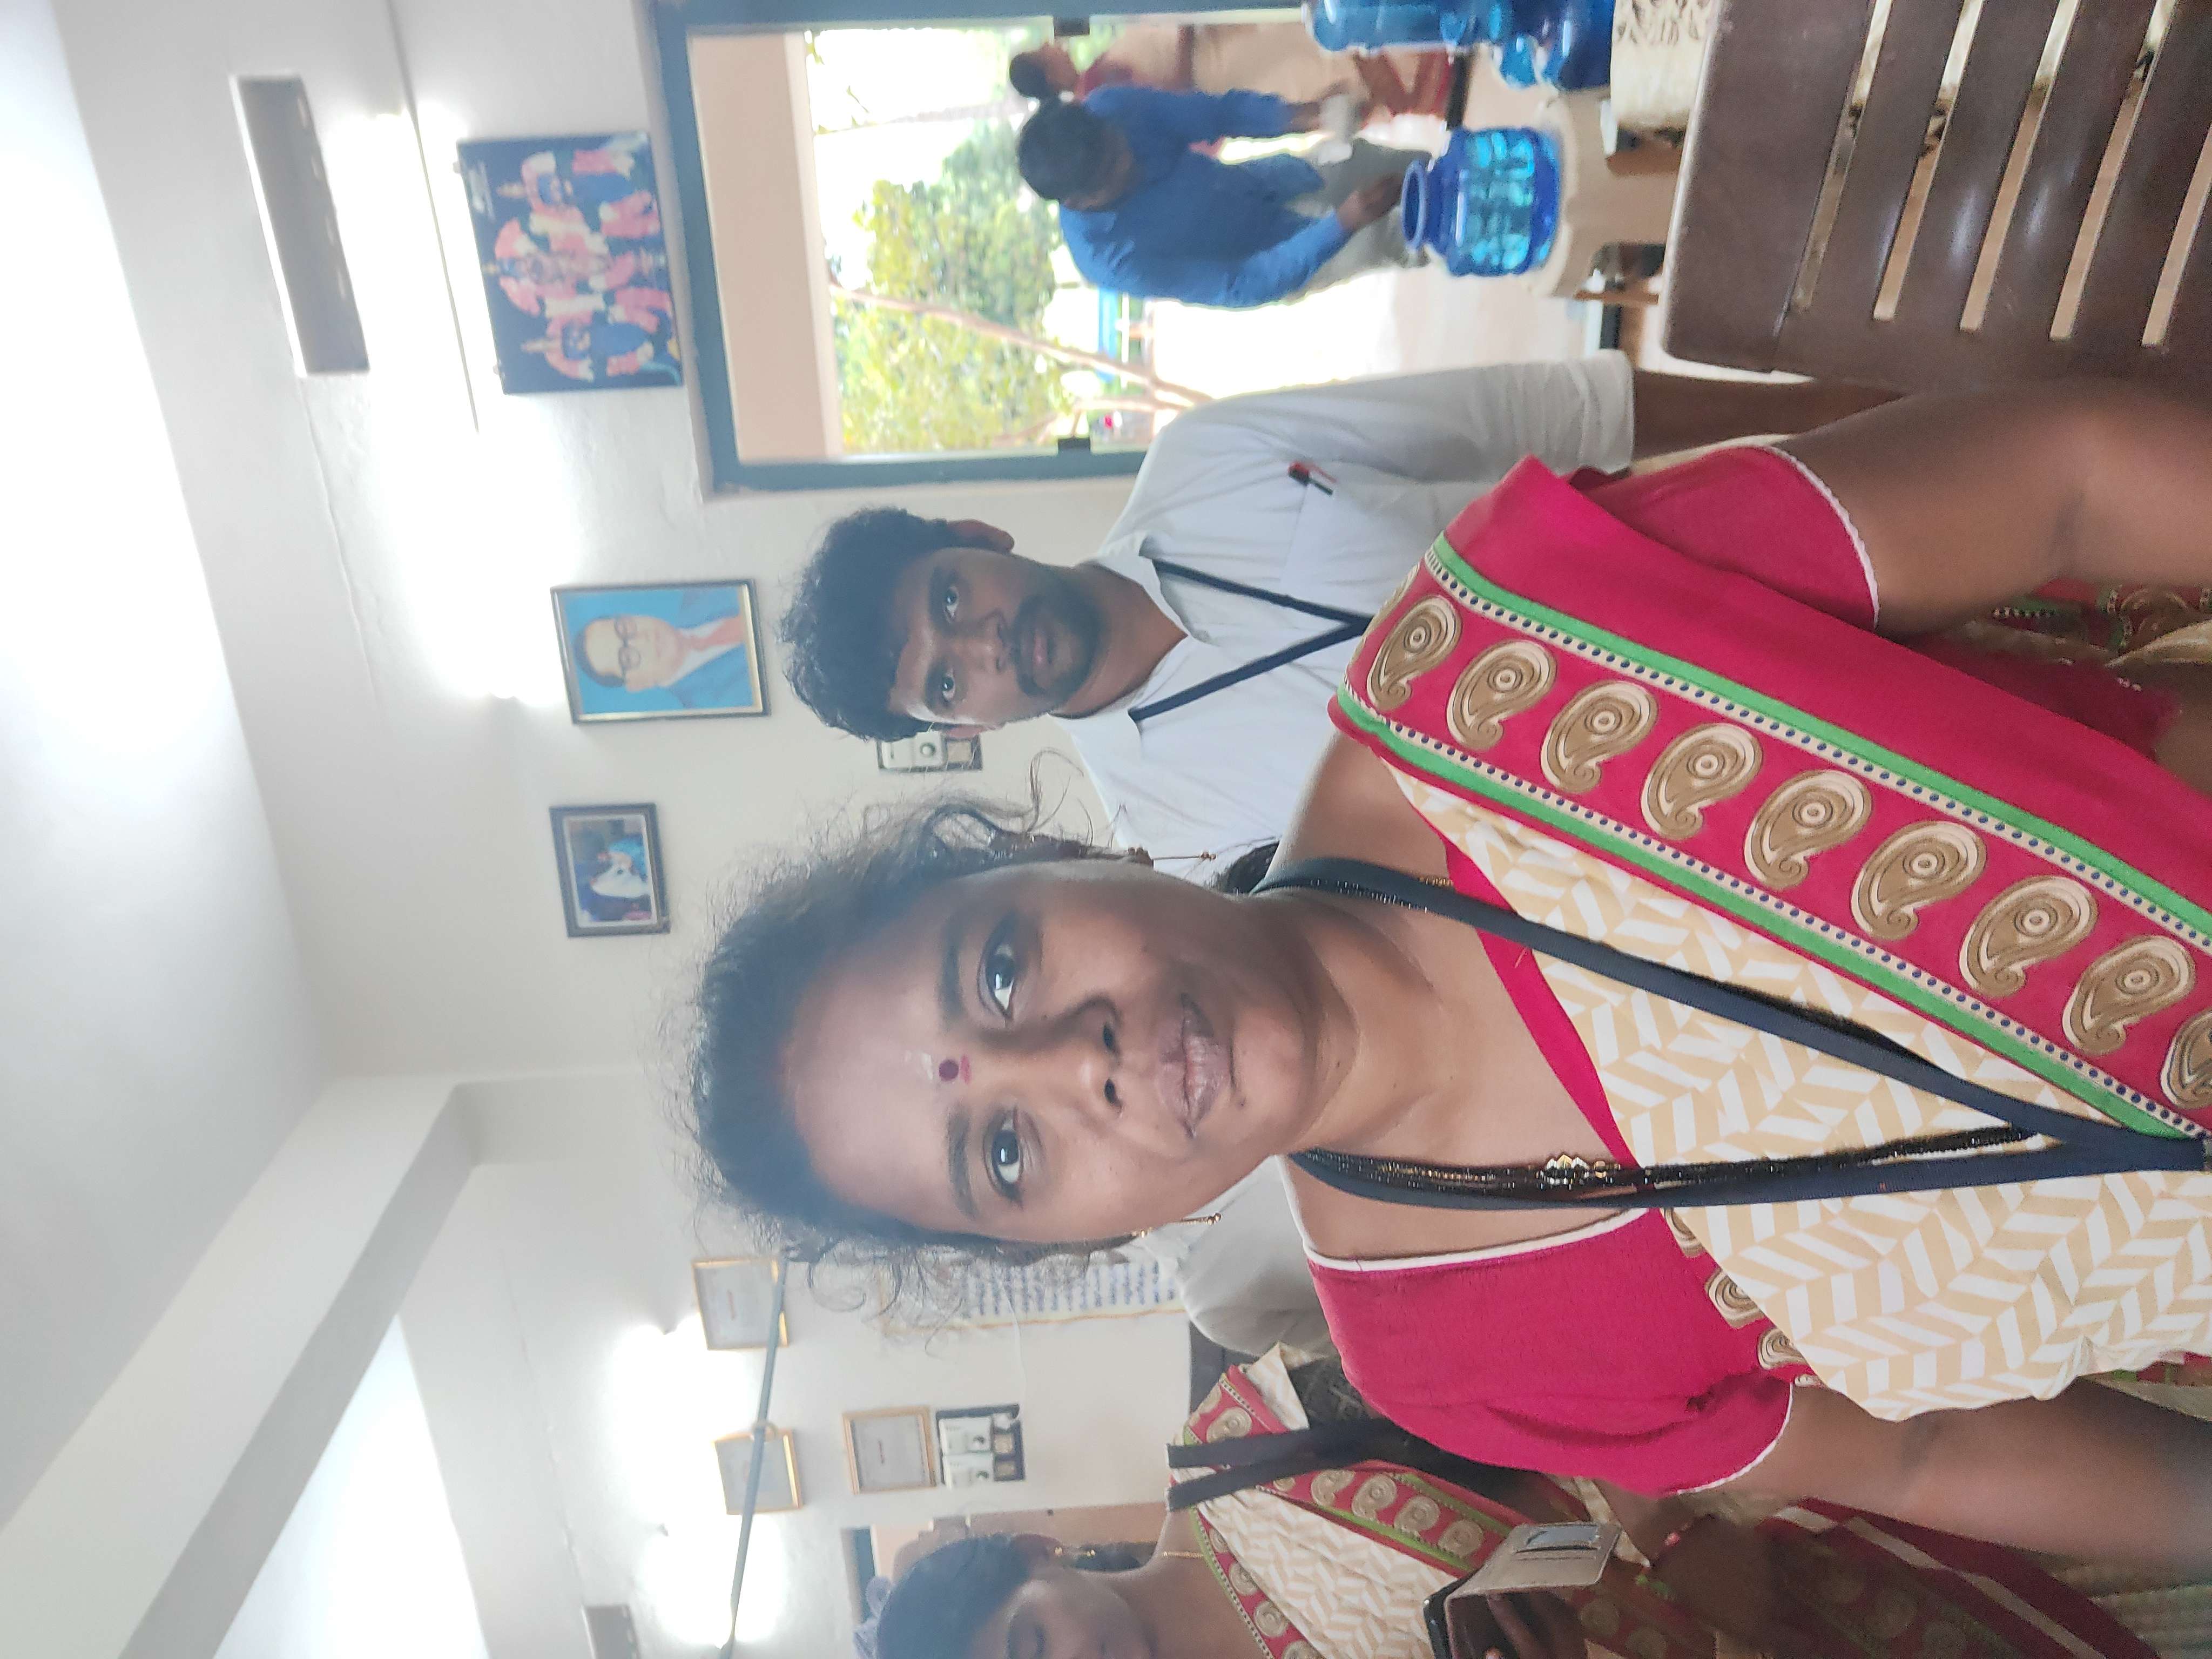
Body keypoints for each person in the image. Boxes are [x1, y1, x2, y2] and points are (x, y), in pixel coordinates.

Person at [698, 382, 2212, 1566]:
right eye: (1003, 1152)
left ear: (1056, 851)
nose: (1072, 1060)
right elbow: (1925, 1451)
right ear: (1075, 1239)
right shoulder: (1451, 1354)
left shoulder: (1505, 654)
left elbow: (2064, 482)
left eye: (999, 968)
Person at [779, 362, 1896, 868]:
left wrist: (1840, 405)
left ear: (976, 538)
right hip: (1718, 798)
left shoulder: (1202, 461)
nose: (979, 645)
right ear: (962, 728)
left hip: (1741, 551)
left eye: (948, 597)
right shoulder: (1172, 839)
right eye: (943, 683)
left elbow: (1531, 410)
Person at [873, 1347, 2180, 1659]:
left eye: (1029, 1642)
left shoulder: (1244, 1448)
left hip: (1834, 1515)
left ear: (1035, 1550)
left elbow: (1537, 1365)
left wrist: (1668, 1534)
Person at [1016, 89, 1428, 308]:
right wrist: (1344, 224)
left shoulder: (1112, 107)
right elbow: (1239, 283)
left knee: (1387, 163)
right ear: (1078, 202)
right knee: (1389, 238)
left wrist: (1310, 116)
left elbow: (1218, 114)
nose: (1128, 160)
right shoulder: (1110, 259)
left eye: (1117, 144)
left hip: (1268, 183)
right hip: (1279, 255)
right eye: (1112, 171)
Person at [1010, 27, 1449, 123]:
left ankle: (1426, 71)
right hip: (1220, 70)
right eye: (1044, 52)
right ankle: (1426, 86)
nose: (1054, 46)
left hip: (1220, 50)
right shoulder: (1098, 92)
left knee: (1316, 50)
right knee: (1323, 61)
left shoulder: (1096, 80)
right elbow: (1173, 102)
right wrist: (1184, 29)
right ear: (1048, 74)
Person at [576, 604, 753, 709]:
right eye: (627, 658)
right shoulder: (718, 707)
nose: (642, 640)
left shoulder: (702, 596)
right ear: (638, 685)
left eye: (624, 629)